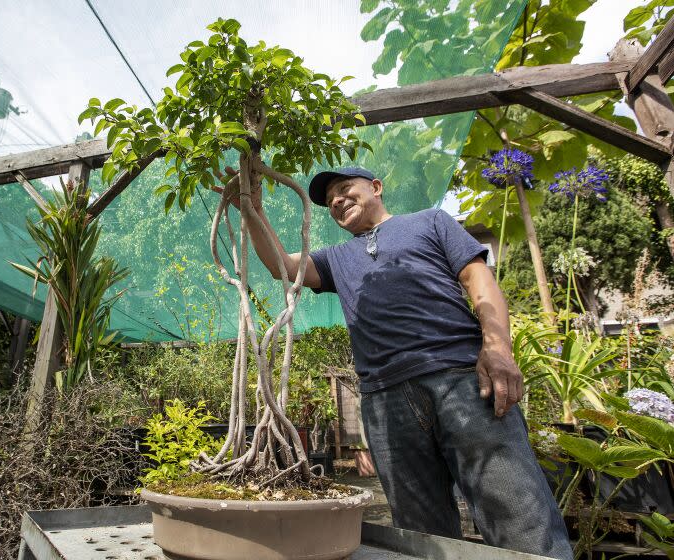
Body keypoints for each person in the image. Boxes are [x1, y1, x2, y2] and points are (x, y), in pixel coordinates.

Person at [220, 166, 572, 560]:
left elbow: (479, 280)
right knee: (421, 535)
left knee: (520, 516)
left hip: (462, 380)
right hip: (386, 400)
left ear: (375, 187)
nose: (336, 200)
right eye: (329, 200)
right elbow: (283, 266)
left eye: (343, 189)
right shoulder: (336, 258)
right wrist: (250, 209)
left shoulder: (430, 222)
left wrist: (497, 347)